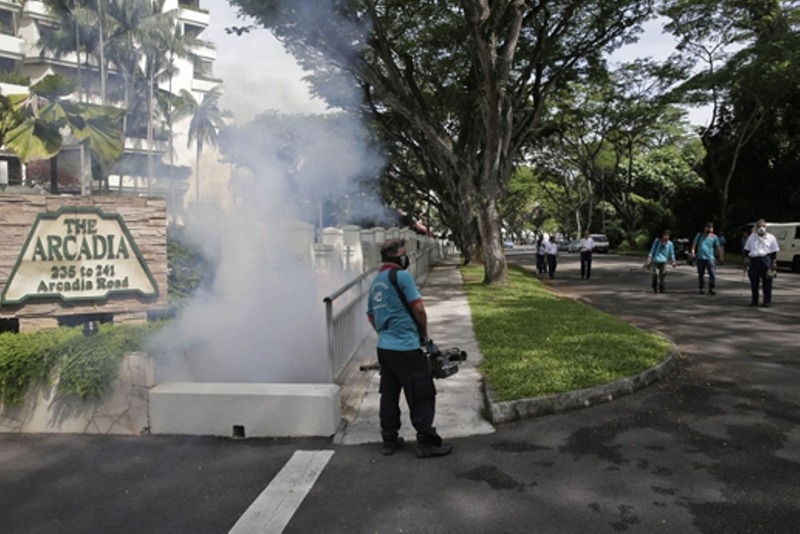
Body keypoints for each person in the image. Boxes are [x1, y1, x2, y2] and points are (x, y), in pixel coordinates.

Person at [366, 238, 453, 458]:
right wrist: (423, 333)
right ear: (395, 256)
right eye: (403, 253)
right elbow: (419, 309)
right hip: (406, 346)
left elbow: (370, 315)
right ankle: (426, 442)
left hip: (384, 348)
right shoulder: (402, 276)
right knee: (421, 392)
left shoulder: (376, 282)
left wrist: (384, 333)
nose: (406, 256)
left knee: (389, 393)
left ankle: (389, 439)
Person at [742, 219, 780, 307]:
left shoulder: (771, 237)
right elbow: (746, 250)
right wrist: (745, 261)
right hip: (754, 260)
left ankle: (767, 301)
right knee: (754, 282)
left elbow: (774, 251)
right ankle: (754, 300)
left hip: (766, 260)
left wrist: (774, 262)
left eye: (763, 226)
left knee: (767, 281)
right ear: (756, 228)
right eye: (759, 226)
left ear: (766, 227)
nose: (761, 228)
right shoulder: (751, 237)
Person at [691, 222, 724, 295]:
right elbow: (694, 244)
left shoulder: (714, 237)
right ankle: (701, 288)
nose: (709, 229)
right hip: (700, 257)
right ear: (705, 228)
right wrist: (693, 252)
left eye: (711, 228)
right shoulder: (699, 235)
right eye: (708, 227)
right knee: (701, 274)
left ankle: (712, 288)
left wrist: (720, 256)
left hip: (710, 257)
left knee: (712, 273)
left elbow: (717, 247)